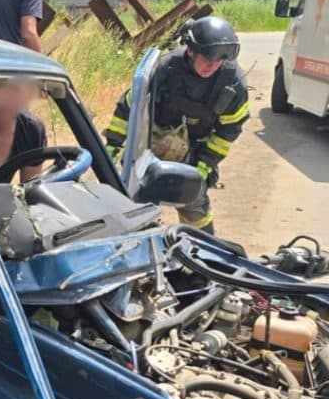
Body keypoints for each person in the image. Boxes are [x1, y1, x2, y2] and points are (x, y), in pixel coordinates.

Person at [103, 16, 249, 235]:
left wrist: (202, 167)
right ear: (191, 51)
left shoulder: (232, 85)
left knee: (194, 203)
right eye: (207, 56)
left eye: (220, 58)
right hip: (150, 147)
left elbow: (227, 132)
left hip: (195, 151)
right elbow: (129, 108)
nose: (213, 64)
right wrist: (112, 146)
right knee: (134, 201)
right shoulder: (165, 69)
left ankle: (203, 253)